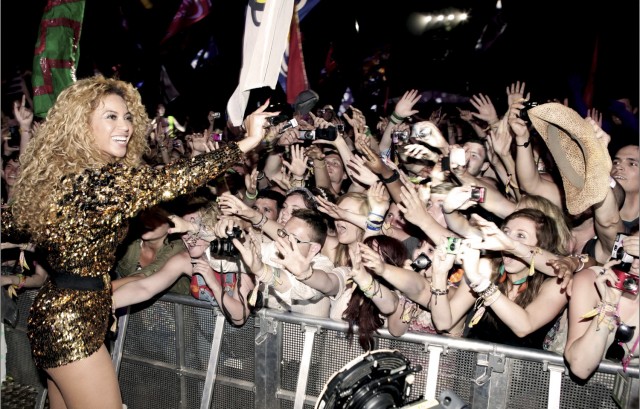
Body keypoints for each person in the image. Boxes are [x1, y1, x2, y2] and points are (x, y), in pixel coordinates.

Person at [1, 75, 273, 409]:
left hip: (60, 312)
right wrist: (247, 141)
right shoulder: (98, 184)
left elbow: (14, 222)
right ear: (80, 125)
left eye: (128, 116)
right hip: (72, 322)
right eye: (111, 116)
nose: (125, 126)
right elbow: (173, 179)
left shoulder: (72, 179)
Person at [564, 231, 639, 380]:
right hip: (564, 388)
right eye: (632, 254)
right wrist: (609, 305)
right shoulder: (590, 281)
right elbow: (580, 368)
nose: (636, 264)